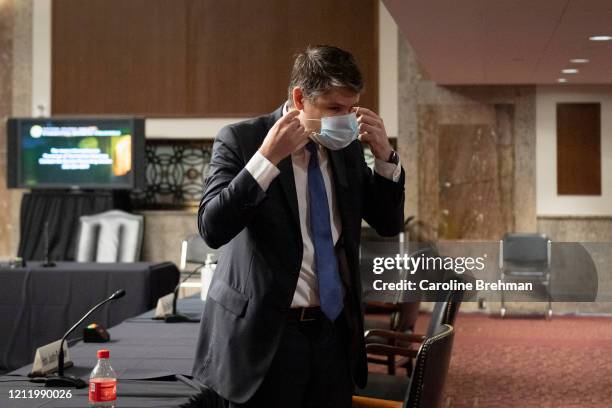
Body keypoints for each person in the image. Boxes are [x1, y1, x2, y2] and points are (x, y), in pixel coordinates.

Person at [192, 45, 405, 407]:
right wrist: (266, 160)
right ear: (299, 98)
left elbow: (387, 223)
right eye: (334, 109)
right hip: (266, 336)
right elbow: (212, 228)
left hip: (333, 333)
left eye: (351, 110)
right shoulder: (241, 140)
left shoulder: (347, 147)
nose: (345, 120)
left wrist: (386, 158)